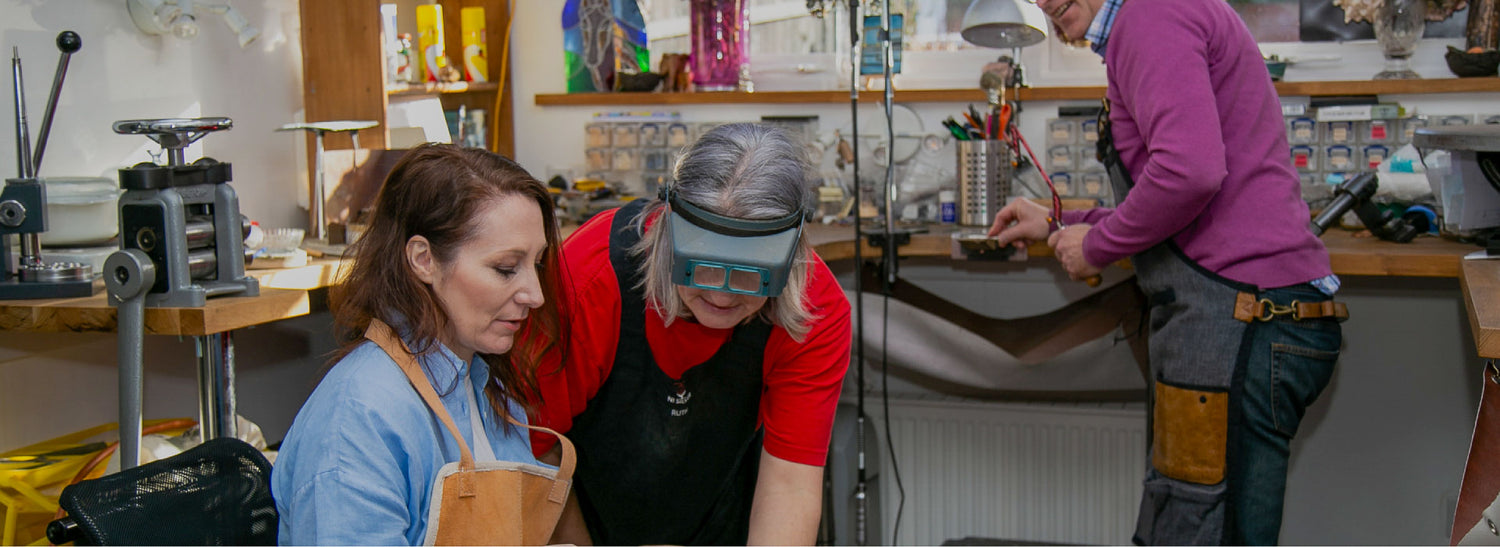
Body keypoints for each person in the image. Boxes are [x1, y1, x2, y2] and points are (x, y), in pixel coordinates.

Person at [988, 0, 1347, 544]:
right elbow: (1179, 204)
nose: (1042, 0)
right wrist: (1064, 223)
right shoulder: (1146, 20)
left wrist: (1100, 246)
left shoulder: (1150, 14)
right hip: (1246, 314)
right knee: (1188, 520)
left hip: (1245, 321)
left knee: (1204, 529)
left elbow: (1189, 173)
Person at [532, 122, 852, 545]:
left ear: (788, 258)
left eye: (750, 274)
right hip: (581, 511)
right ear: (669, 232)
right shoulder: (591, 277)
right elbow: (536, 451)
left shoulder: (816, 310)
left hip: (722, 513)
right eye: (700, 264)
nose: (720, 294)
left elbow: (790, 485)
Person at [272, 144, 566, 545]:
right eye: (505, 269)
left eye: (536, 264)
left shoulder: (486, 385)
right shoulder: (358, 420)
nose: (535, 294)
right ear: (423, 259)